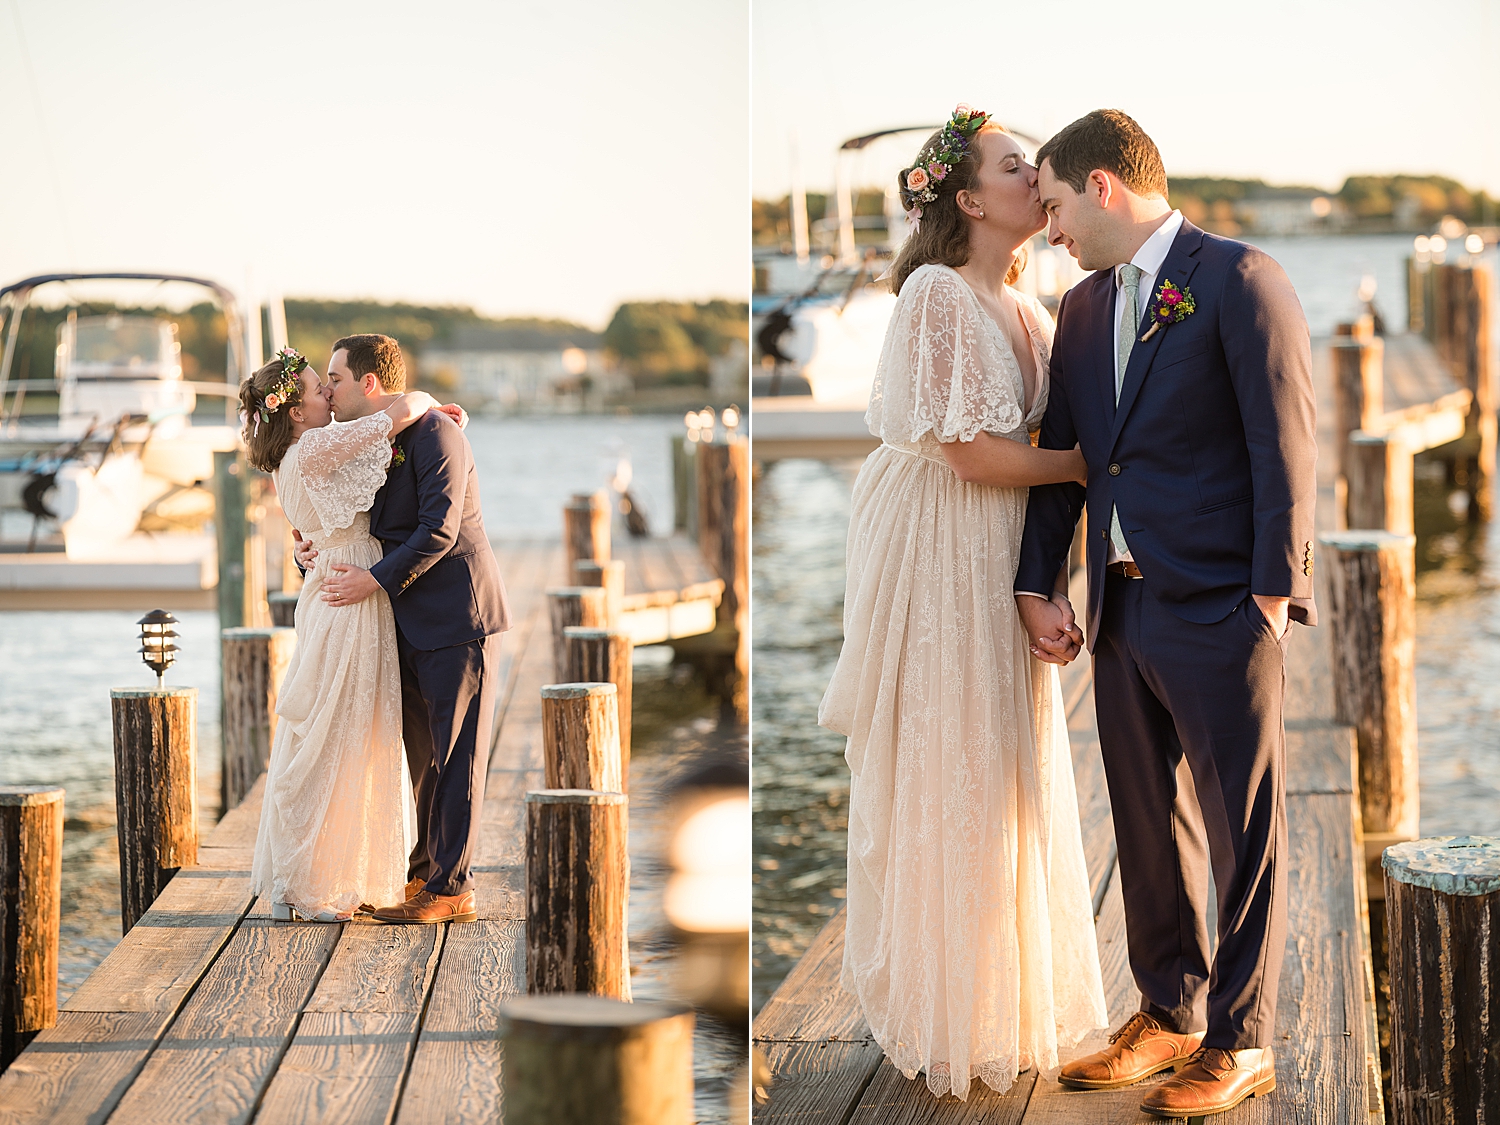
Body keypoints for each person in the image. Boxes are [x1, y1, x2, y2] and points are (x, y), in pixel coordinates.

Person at [1015, 109, 1317, 1119]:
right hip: (1122, 610)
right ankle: (1170, 1008)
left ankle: (1242, 1038)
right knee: (1145, 827)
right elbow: (1070, 461)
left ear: (1105, 187)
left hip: (1223, 606)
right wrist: (1035, 580)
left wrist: (1270, 598)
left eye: (1054, 205)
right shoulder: (1085, 310)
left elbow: (1286, 445)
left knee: (1244, 834)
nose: (1048, 228)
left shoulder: (1238, 279)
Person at [818, 105, 1107, 1102]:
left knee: (1002, 764)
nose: (1039, 176)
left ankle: (994, 998)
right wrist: (1085, 462)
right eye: (1017, 164)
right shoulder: (938, 293)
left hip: (995, 543)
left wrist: (1048, 568)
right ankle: (946, 1009)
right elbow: (968, 451)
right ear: (971, 198)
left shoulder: (1031, 305)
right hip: (939, 540)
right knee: (949, 757)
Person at [244, 347, 463, 922]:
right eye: (320, 389)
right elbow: (403, 406)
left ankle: (321, 872)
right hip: (351, 593)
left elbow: (309, 525)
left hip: (330, 588)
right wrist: (430, 405)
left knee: (333, 728)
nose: (328, 396)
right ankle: (327, 876)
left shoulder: (293, 457)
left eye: (330, 384)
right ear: (295, 411)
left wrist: (304, 550)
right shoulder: (315, 444)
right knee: (346, 732)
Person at [299, 335, 510, 925]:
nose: (329, 391)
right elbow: (356, 527)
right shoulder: (373, 445)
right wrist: (311, 552)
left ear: (369, 383)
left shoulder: (438, 433)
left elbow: (438, 530)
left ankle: (453, 889)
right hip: (406, 626)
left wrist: (372, 582)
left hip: (456, 619)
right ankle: (422, 872)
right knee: (422, 760)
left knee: (456, 755)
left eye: (335, 379)